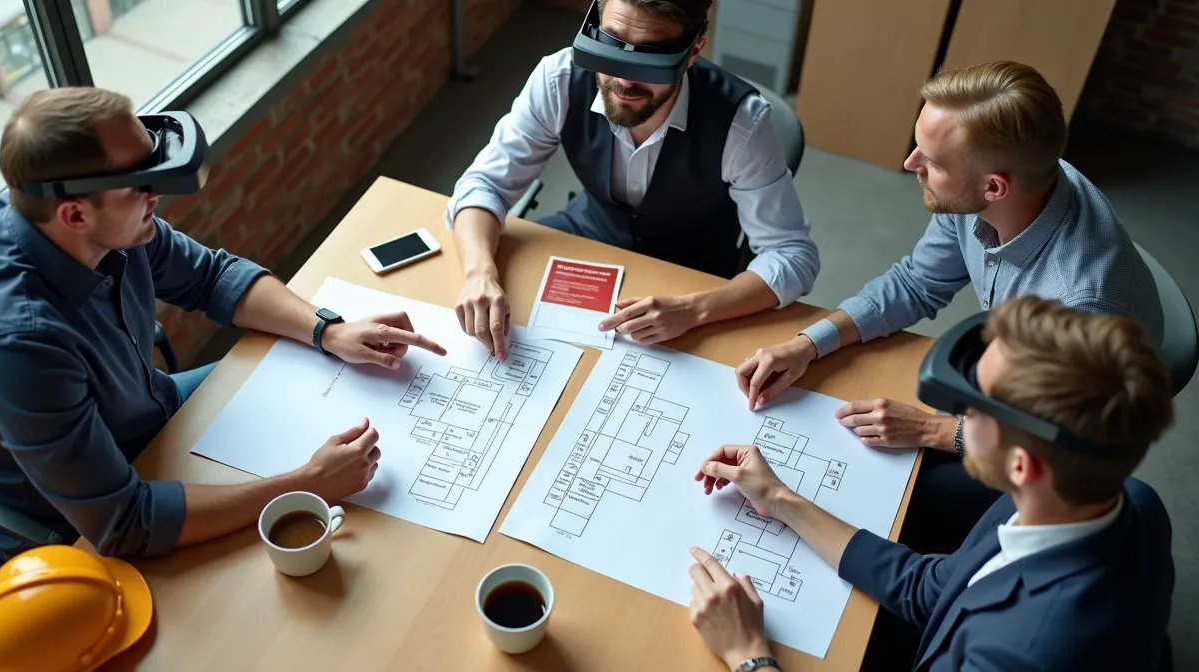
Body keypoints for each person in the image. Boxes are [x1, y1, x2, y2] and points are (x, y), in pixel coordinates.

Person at [0, 87, 446, 560]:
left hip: (149, 411)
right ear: (74, 216)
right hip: (80, 526)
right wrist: (308, 483)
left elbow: (211, 277)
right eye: (143, 186)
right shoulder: (15, 347)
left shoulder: (81, 216)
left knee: (314, 369)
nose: (158, 196)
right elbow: (125, 522)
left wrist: (328, 331)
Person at [734, 61, 1163, 552]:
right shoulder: (996, 189)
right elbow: (917, 282)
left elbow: (1057, 440)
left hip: (1065, 422)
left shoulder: (1079, 304)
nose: (911, 163)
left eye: (933, 161)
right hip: (1008, 372)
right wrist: (809, 343)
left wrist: (931, 429)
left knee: (901, 507)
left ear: (993, 186)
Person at [689, 297, 1174, 671]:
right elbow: (931, 588)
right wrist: (779, 498)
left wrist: (748, 653)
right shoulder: (1119, 498)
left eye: (973, 407)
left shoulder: (1016, 656)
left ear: (1023, 465)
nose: (955, 414)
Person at [448, 0, 818, 361]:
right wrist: (479, 272)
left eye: (652, 59)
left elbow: (791, 254)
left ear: (693, 52)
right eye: (609, 46)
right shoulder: (560, 80)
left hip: (692, 274)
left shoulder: (741, 123)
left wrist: (695, 309)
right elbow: (485, 185)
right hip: (587, 236)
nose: (624, 79)